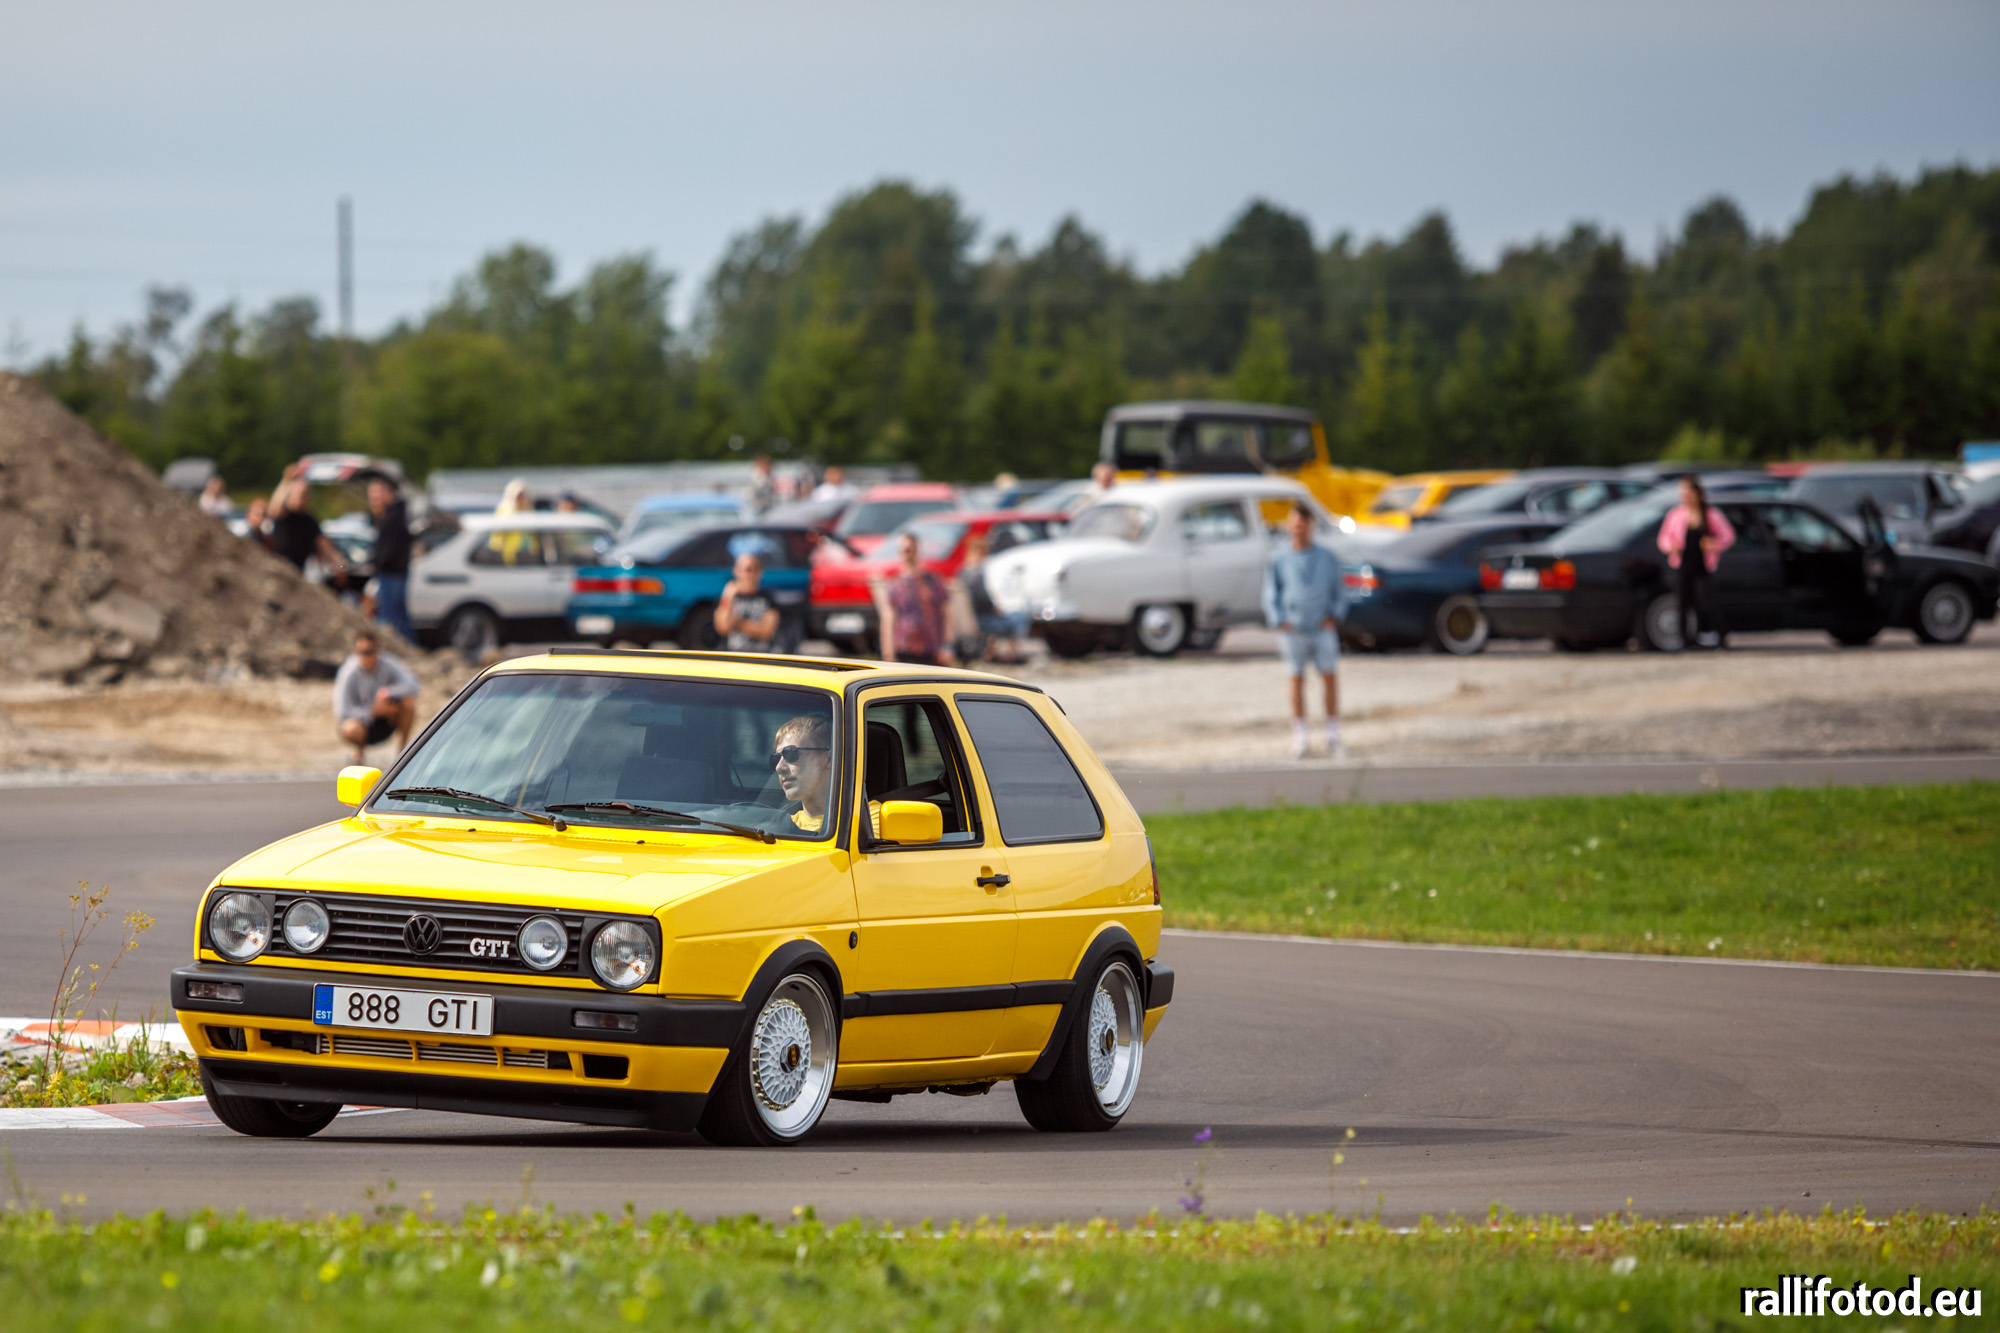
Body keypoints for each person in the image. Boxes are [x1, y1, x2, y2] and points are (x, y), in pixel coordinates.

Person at [1262, 501, 1347, 759]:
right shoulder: (1279, 558)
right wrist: (1279, 619)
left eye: (1303, 524)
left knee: (1329, 676)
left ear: (1310, 526)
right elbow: (1270, 592)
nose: (1298, 529)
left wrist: (1334, 616)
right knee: (1296, 678)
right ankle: (1300, 733)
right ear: (1289, 526)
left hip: (1321, 626)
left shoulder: (1327, 557)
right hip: (1294, 628)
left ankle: (1332, 731)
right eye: (1295, 524)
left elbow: (1340, 590)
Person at [1657, 475, 1736, 649]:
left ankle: (1720, 636)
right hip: (1682, 564)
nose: (1685, 496)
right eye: (1682, 493)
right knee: (1683, 603)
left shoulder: (1710, 514)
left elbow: (1728, 535)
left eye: (1688, 492)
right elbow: (1663, 539)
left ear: (1697, 493)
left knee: (1708, 602)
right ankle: (1684, 640)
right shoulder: (1676, 515)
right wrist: (1672, 547)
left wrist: (1714, 544)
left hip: (1702, 566)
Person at [333, 630, 420, 764]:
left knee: (408, 703)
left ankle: (402, 755)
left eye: (371, 652)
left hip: (387, 720)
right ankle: (359, 754)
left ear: (377, 652)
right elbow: (343, 711)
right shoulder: (348, 672)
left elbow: (413, 685)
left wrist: (387, 694)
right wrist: (372, 711)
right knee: (350, 728)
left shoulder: (388, 663)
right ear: (356, 653)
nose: (367, 657)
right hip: (364, 724)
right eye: (363, 652)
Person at [878, 531, 955, 667]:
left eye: (910, 548)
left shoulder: (933, 582)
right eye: (904, 549)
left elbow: (945, 614)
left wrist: (948, 646)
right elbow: (888, 619)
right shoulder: (896, 585)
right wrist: (888, 653)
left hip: (931, 649)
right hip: (905, 649)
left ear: (917, 549)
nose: (908, 552)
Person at [960, 532, 1027, 663]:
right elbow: (983, 599)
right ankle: (1012, 653)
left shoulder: (962, 573)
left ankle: (992, 651)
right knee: (1019, 617)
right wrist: (996, 609)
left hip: (972, 617)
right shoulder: (977, 573)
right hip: (982, 618)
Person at [268, 477, 348, 582]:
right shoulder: (282, 515)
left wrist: (340, 568)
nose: (302, 496)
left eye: (305, 493)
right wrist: (286, 480)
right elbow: (274, 507)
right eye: (300, 493)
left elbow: (327, 548)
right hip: (276, 573)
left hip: (297, 577)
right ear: (290, 494)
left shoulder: (309, 521)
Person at [367, 475, 414, 643]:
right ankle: (409, 647)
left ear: (387, 492)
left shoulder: (394, 517)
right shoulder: (395, 514)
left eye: (376, 492)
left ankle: (396, 649)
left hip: (391, 572)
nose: (373, 498)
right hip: (395, 571)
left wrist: (376, 563)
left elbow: (389, 549)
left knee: (389, 618)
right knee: (400, 616)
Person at [772, 714, 836, 833]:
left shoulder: (868, 820)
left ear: (829, 759)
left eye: (790, 753)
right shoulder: (780, 827)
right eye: (776, 758)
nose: (779, 767)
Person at [713, 551, 781, 652]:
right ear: (735, 571)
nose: (745, 574)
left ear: (759, 572)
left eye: (749, 569)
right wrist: (728, 597)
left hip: (760, 654)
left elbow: (768, 631)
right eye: (740, 569)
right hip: (734, 653)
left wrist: (738, 623)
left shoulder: (766, 598)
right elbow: (722, 627)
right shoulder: (729, 596)